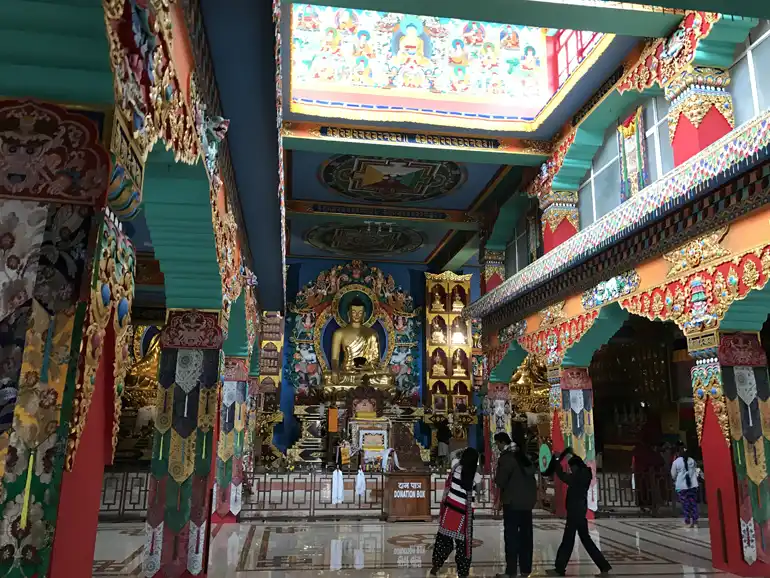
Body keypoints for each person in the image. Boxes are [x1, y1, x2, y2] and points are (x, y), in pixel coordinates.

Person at [546, 448, 611, 577]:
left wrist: (557, 461)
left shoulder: (578, 477)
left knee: (568, 540)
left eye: (571, 467)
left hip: (575, 511)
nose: (570, 470)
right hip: (580, 510)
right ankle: (604, 566)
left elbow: (562, 476)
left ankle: (559, 568)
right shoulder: (585, 474)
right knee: (585, 540)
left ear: (575, 467)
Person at [431, 447, 481, 578]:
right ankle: (463, 572)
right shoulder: (476, 477)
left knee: (443, 541)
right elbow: (477, 498)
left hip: (449, 510)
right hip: (464, 516)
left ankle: (436, 566)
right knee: (464, 546)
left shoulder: (455, 468)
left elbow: (453, 454)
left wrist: (463, 450)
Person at [494, 432, 537, 578]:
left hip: (512, 503)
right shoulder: (525, 458)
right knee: (526, 537)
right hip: (527, 504)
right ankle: (526, 570)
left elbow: (500, 480)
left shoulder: (507, 459)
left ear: (501, 442)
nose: (497, 447)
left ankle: (511, 571)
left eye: (497, 444)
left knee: (511, 537)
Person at [671, 444, 699, 527]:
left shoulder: (676, 462)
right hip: (693, 485)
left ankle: (687, 520)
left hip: (681, 486)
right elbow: (696, 470)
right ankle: (695, 520)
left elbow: (673, 474)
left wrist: (675, 479)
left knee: (685, 503)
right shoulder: (692, 460)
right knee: (693, 502)